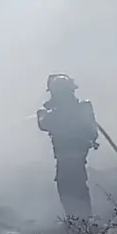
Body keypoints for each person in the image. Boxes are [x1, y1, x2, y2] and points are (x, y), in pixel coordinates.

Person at [36, 73, 100, 219]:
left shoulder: (77, 109)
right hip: (69, 154)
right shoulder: (57, 112)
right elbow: (44, 123)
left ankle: (81, 221)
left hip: (71, 154)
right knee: (72, 186)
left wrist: (44, 113)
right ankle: (79, 220)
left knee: (70, 186)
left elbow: (44, 124)